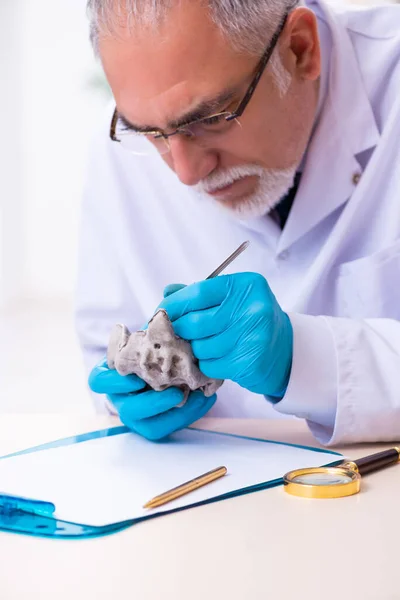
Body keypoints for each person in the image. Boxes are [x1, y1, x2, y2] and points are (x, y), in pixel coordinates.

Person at [76, 0, 400, 446]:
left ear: (301, 49)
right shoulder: (118, 148)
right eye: (151, 133)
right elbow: (104, 341)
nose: (186, 172)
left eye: (211, 119)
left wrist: (302, 358)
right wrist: (128, 393)